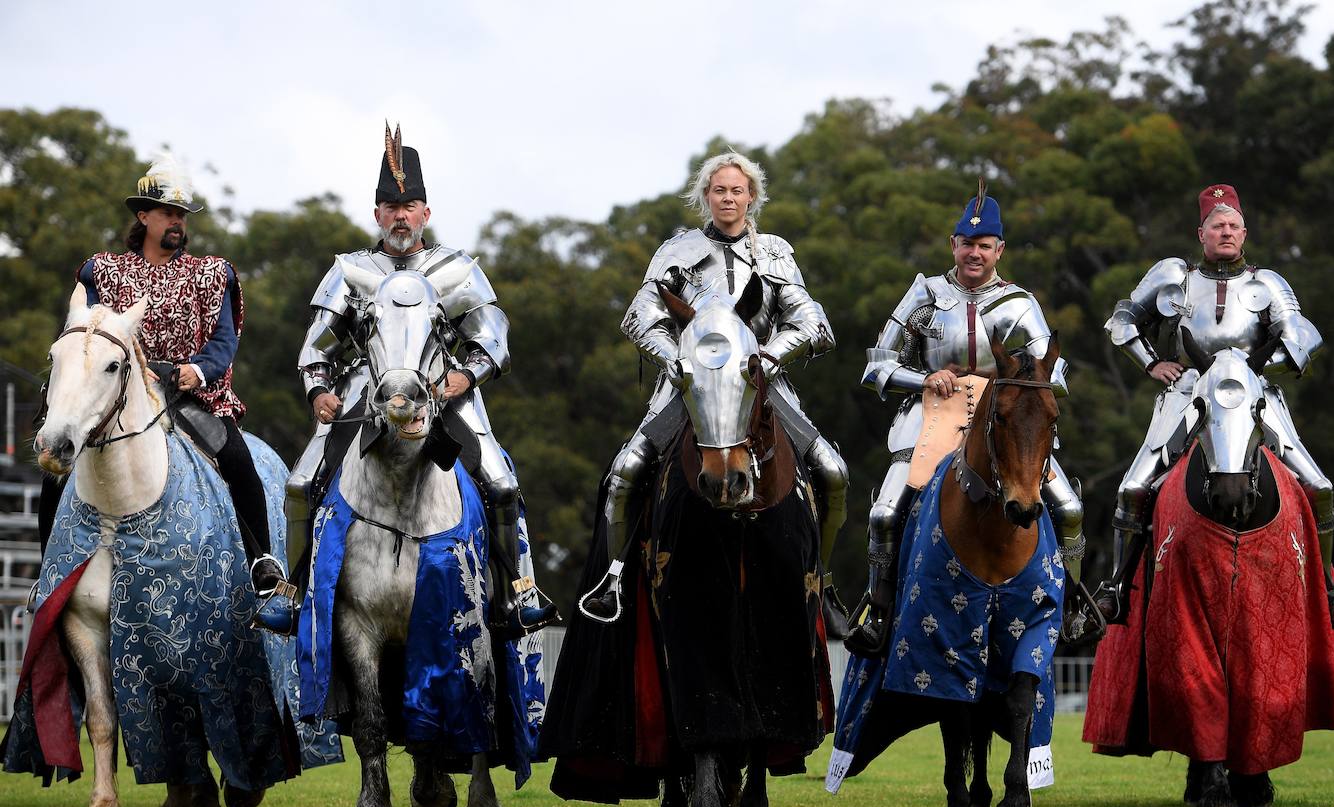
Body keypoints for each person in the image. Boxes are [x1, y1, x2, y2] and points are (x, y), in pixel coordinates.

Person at [281, 123, 555, 636]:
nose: (400, 216)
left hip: (443, 391)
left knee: (501, 482)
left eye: (410, 207)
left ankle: (516, 592)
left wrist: (465, 375)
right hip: (366, 392)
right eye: (391, 207)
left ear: (425, 213)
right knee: (300, 484)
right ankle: (292, 594)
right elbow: (319, 341)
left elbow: (492, 336)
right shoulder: (352, 270)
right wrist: (318, 389)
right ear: (377, 214)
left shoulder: (455, 269)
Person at [580, 150, 848, 620]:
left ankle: (821, 583)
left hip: (759, 383)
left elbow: (812, 321)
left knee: (831, 471)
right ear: (706, 196)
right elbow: (640, 316)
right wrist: (675, 359)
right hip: (690, 385)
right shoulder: (677, 252)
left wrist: (767, 357)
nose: (728, 198)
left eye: (737, 190)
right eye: (719, 190)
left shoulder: (773, 253)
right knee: (627, 470)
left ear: (751, 197)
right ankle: (615, 577)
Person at [1098, 183, 1334, 627]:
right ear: (1201, 233)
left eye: (1233, 226)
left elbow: (1304, 337)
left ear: (1245, 232)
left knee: (1320, 487)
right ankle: (1118, 589)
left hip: (1253, 395)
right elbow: (1121, 322)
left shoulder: (1267, 283)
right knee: (1132, 488)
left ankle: (1330, 591)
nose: (1226, 232)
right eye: (1217, 225)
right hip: (1188, 393)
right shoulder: (1173, 276)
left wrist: (1261, 369)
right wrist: (1152, 365)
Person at [848, 183, 1086, 655]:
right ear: (952, 245)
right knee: (884, 512)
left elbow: (1054, 371)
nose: (973, 254)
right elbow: (876, 364)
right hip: (930, 415)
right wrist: (923, 379)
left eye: (983, 246)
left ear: (999, 250)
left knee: (1070, 508)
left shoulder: (1019, 302)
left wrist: (1009, 380)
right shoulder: (925, 294)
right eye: (966, 244)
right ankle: (878, 610)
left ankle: (1075, 605)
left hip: (1004, 418)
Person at [36, 153, 287, 598]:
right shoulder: (104, 271)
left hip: (189, 394)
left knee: (235, 458)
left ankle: (262, 563)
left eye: (181, 215)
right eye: (168, 213)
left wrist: (198, 370)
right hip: (114, 393)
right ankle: (46, 574)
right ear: (143, 216)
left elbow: (225, 342)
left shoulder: (211, 274)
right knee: (55, 467)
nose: (177, 222)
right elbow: (87, 335)